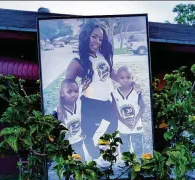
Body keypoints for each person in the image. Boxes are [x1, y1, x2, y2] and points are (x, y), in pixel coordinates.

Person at [65, 21, 119, 160]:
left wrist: (127, 80)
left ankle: (101, 146)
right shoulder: (77, 61)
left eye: (100, 39)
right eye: (94, 37)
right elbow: (67, 85)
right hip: (91, 104)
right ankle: (91, 150)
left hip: (107, 99)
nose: (97, 41)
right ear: (85, 36)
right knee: (89, 133)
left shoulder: (101, 55)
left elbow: (110, 72)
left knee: (114, 122)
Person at [112, 66, 145, 158]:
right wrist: (124, 121)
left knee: (138, 148)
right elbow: (114, 110)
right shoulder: (114, 94)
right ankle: (126, 164)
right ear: (117, 79)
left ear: (132, 78)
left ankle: (139, 164)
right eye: (122, 78)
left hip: (136, 125)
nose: (125, 80)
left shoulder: (137, 92)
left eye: (128, 77)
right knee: (124, 148)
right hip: (123, 126)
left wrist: (135, 120)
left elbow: (142, 107)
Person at [53, 78, 85, 161]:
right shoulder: (58, 111)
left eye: (76, 91)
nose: (73, 94)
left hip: (79, 141)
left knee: (82, 164)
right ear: (62, 94)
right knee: (70, 167)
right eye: (69, 92)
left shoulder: (79, 102)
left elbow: (82, 89)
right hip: (67, 146)